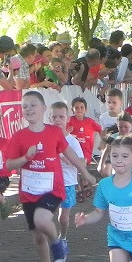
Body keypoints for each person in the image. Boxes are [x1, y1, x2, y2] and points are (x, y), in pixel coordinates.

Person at [5, 91, 96, 262]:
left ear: (43, 109)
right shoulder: (19, 136)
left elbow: (70, 154)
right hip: (29, 192)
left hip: (52, 189)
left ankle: (56, 242)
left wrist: (85, 173)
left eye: (33, 105)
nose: (28, 109)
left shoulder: (54, 133)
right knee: (37, 236)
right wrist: (25, 158)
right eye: (25, 106)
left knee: (42, 220)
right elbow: (9, 163)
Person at [49, 101, 83, 249]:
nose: (57, 120)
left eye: (61, 117)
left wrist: (62, 156)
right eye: (54, 117)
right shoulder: (46, 138)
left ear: (67, 119)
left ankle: (63, 237)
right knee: (46, 215)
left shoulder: (72, 141)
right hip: (49, 183)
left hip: (67, 183)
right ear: (50, 118)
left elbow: (81, 162)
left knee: (63, 217)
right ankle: (48, 239)